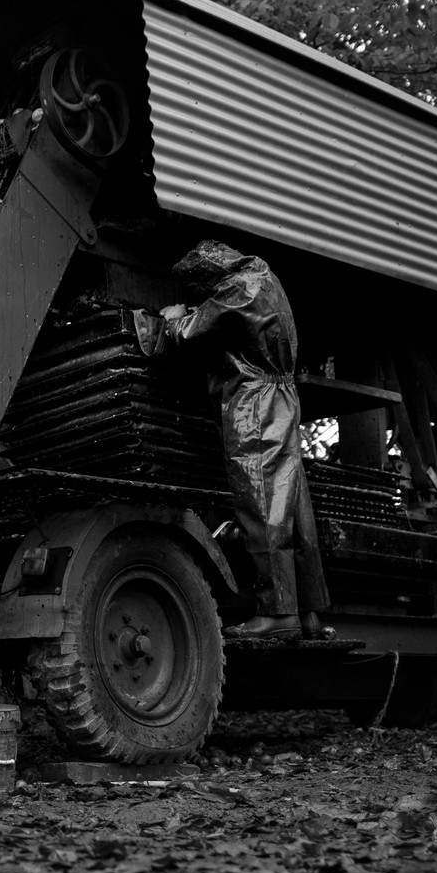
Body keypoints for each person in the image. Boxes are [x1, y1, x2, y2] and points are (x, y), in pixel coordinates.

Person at [162, 241, 330, 639]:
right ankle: (307, 612)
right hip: (282, 396)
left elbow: (188, 332)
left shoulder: (237, 289)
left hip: (254, 404)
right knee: (292, 509)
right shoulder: (263, 277)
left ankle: (276, 613)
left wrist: (174, 317)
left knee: (262, 507)